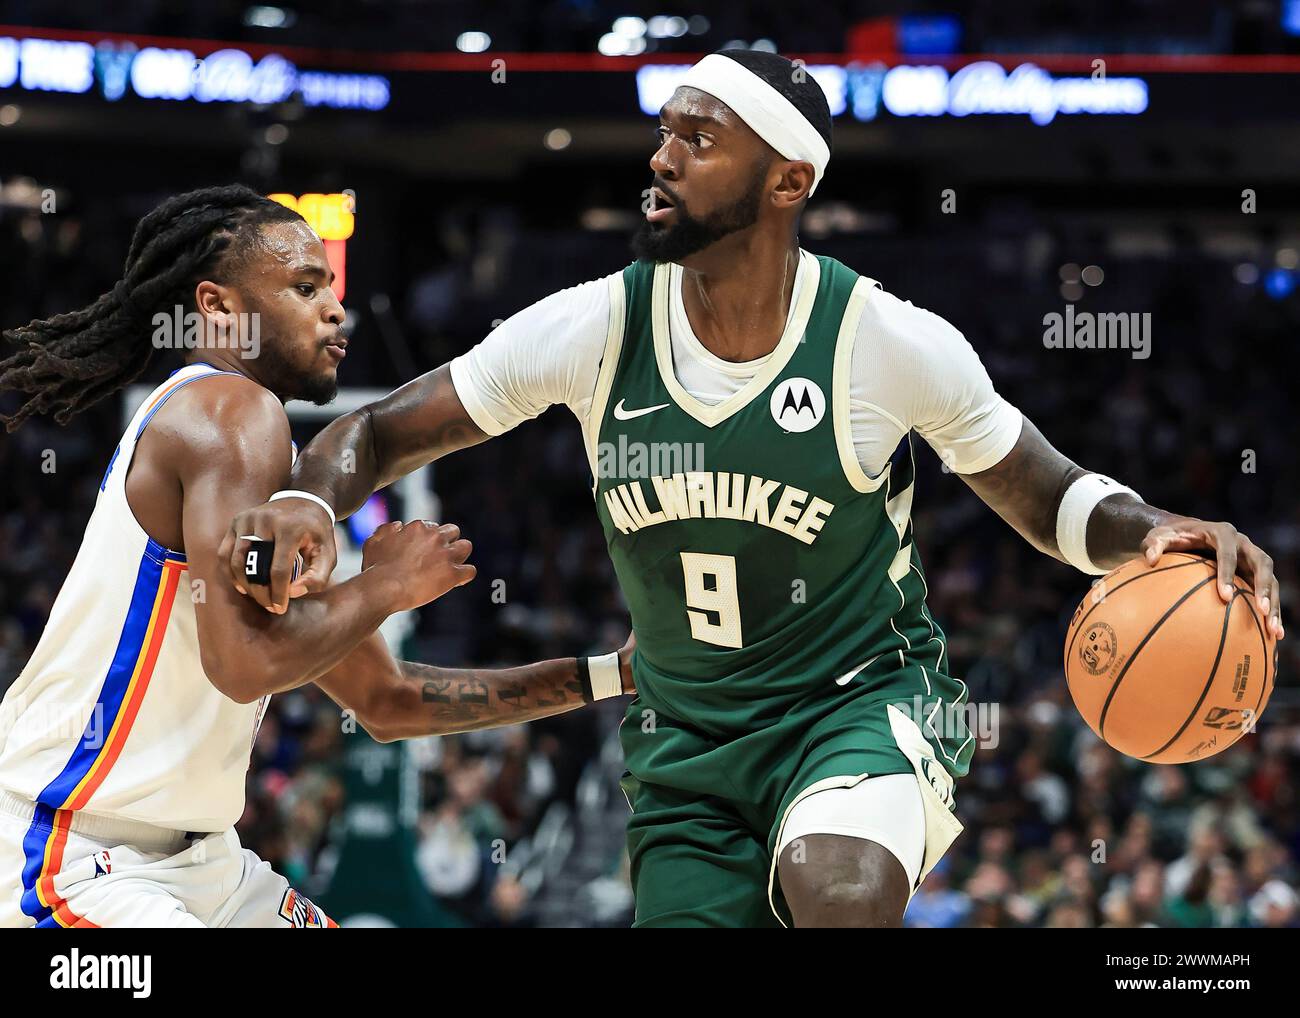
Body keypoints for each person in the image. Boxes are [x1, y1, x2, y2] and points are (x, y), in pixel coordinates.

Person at [224, 51, 1284, 928]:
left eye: (699, 138)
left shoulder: (886, 343)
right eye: (664, 130)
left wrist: (1155, 531)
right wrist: (309, 506)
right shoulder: (594, 325)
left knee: (839, 883)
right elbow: (376, 428)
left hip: (859, 704)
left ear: (786, 182)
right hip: (686, 738)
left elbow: (1047, 496)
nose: (662, 155)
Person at [0, 185, 629, 928]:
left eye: (331, 287)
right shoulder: (230, 413)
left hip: (200, 863)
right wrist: (387, 586)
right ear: (218, 305)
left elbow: (388, 703)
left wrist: (607, 675)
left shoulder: (261, 466)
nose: (336, 310)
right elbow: (243, 665)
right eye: (304, 288)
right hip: (71, 848)